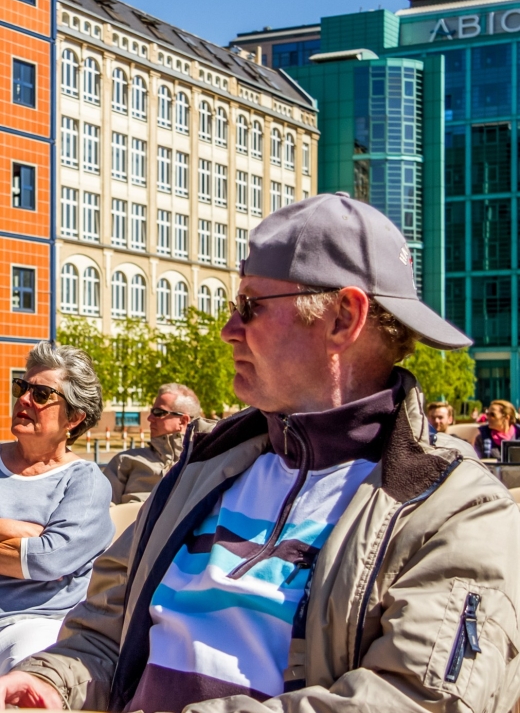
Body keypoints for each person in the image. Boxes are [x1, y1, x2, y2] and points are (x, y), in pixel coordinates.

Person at [2, 193, 520, 713]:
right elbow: (102, 633)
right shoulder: (203, 470)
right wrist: (52, 681)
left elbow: (415, 698)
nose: (227, 330)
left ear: (343, 317)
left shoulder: (450, 506)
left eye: (250, 306)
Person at [0, 341, 113, 675]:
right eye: (22, 387)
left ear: (74, 418)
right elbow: (37, 555)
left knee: (28, 680)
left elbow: (49, 559)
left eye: (41, 394)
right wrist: (25, 534)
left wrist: (40, 550)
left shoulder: (85, 482)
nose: (23, 399)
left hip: (31, 624)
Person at [104, 384, 205, 504]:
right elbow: (101, 510)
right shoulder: (124, 461)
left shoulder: (204, 465)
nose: (150, 418)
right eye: (152, 412)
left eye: (158, 412)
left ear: (182, 421)